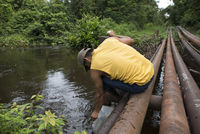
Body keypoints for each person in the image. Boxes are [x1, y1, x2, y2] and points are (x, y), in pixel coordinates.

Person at [77, 30, 154, 119]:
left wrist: (96, 111)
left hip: (142, 85)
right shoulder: (109, 41)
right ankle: (117, 93)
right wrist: (114, 35)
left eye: (87, 66)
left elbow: (99, 94)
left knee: (102, 79)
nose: (89, 67)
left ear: (86, 60)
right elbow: (130, 40)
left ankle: (114, 98)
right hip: (151, 70)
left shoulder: (95, 68)